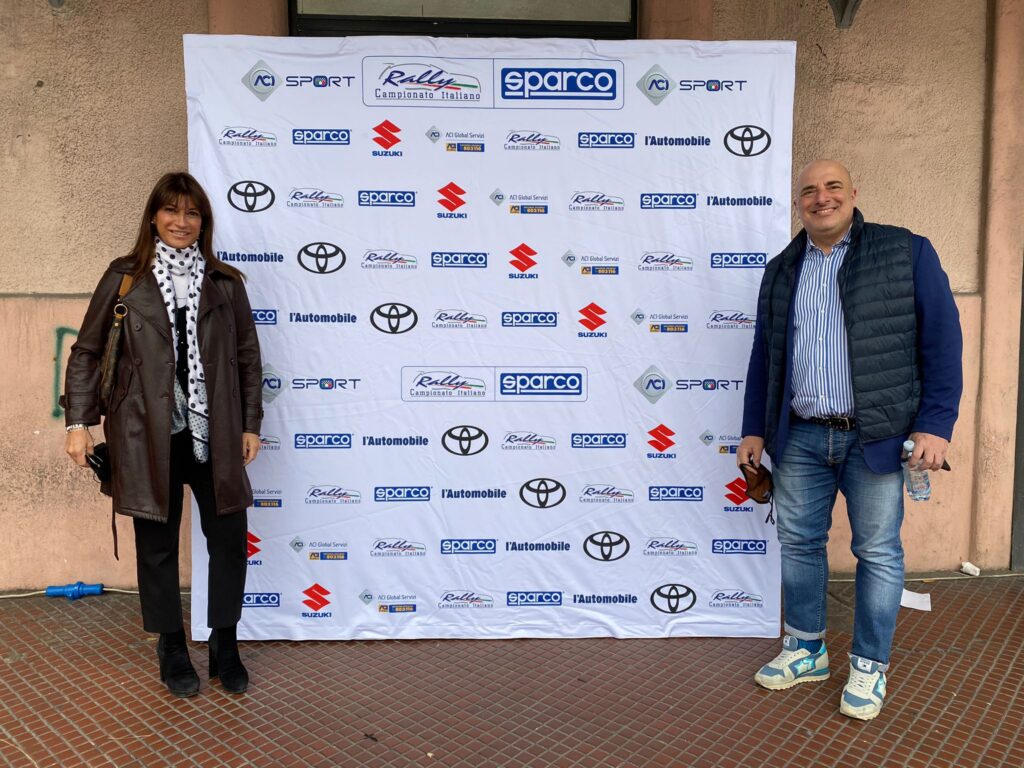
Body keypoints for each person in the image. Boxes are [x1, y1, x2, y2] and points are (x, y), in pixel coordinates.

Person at [738, 160, 962, 720]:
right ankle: (806, 649)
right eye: (809, 190)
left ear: (853, 193)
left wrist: (936, 424)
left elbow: (942, 341)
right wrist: (754, 428)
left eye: (833, 186)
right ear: (798, 203)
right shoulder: (781, 270)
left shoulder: (905, 251)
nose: (822, 198)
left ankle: (869, 665)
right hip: (801, 435)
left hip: (877, 437)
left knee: (878, 551)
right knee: (799, 544)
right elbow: (765, 355)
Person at [63, 172, 263, 698]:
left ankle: (224, 643)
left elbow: (247, 357)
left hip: (215, 432)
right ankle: (171, 645)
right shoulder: (125, 278)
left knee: (229, 542)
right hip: (145, 433)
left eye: (192, 212)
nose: (181, 221)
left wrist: (250, 424)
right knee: (156, 545)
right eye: (171, 210)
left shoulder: (225, 283)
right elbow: (86, 352)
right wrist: (78, 424)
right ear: (153, 217)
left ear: (204, 222)